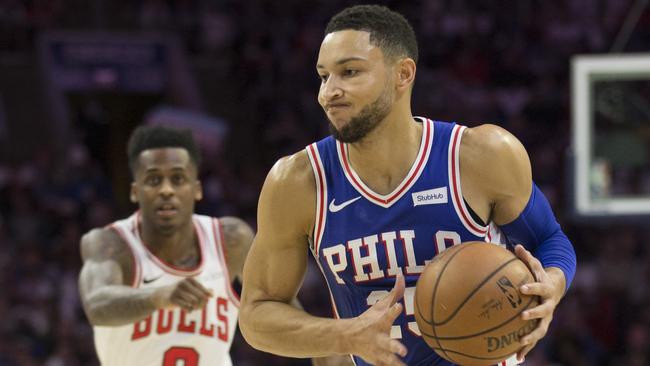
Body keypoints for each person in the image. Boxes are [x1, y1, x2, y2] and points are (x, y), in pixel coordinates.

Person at [239, 5, 577, 366]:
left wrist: (551, 286)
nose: (329, 92)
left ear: (403, 74)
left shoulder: (480, 156)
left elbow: (549, 240)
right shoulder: (297, 182)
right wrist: (343, 335)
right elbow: (256, 314)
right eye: (323, 76)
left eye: (349, 72)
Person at [78, 125, 252, 366]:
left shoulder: (231, 240)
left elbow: (281, 302)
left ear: (197, 189)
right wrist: (159, 296)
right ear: (135, 192)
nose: (166, 190)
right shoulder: (111, 244)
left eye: (178, 179)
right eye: (153, 180)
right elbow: (96, 304)